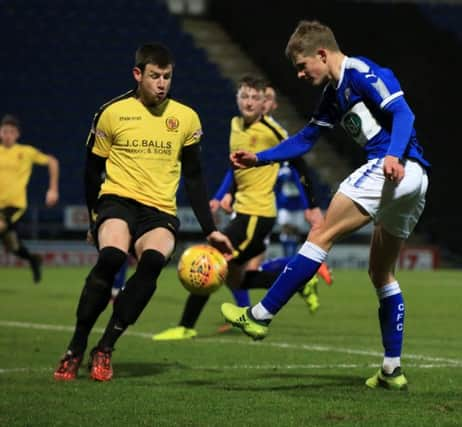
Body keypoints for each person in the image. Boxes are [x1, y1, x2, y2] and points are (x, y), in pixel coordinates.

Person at [221, 20, 430, 391]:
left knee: (321, 233)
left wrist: (393, 156)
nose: (300, 74)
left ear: (322, 53)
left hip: (394, 167)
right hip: (409, 181)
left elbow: (405, 114)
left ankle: (260, 314)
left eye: (303, 66)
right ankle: (392, 369)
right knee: (381, 274)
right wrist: (261, 157)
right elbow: (305, 140)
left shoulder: (363, 72)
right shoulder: (334, 94)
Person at [53, 43, 233, 382]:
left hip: (160, 209)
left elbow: (194, 177)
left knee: (152, 262)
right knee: (111, 257)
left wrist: (210, 229)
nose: (162, 83)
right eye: (154, 76)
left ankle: (105, 347)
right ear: (138, 74)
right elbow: (92, 171)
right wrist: (94, 217)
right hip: (117, 200)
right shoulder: (112, 112)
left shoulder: (186, 118)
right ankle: (75, 346)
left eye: (167, 77)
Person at [152, 76, 323, 342]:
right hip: (243, 211)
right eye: (245, 96)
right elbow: (236, 166)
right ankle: (297, 279)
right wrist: (223, 195)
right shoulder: (234, 125)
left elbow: (299, 162)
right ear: (238, 99)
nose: (249, 102)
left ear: (263, 102)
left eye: (255, 97)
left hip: (257, 215)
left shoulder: (272, 130)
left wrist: (310, 205)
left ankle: (186, 325)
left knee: (209, 261)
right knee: (235, 279)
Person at [0, 114, 59, 283]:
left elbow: (52, 162)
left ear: (17, 134)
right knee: (12, 247)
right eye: (5, 131)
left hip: (14, 206)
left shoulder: (25, 152)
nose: (8, 135)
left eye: (11, 132)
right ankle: (33, 260)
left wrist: (53, 189)